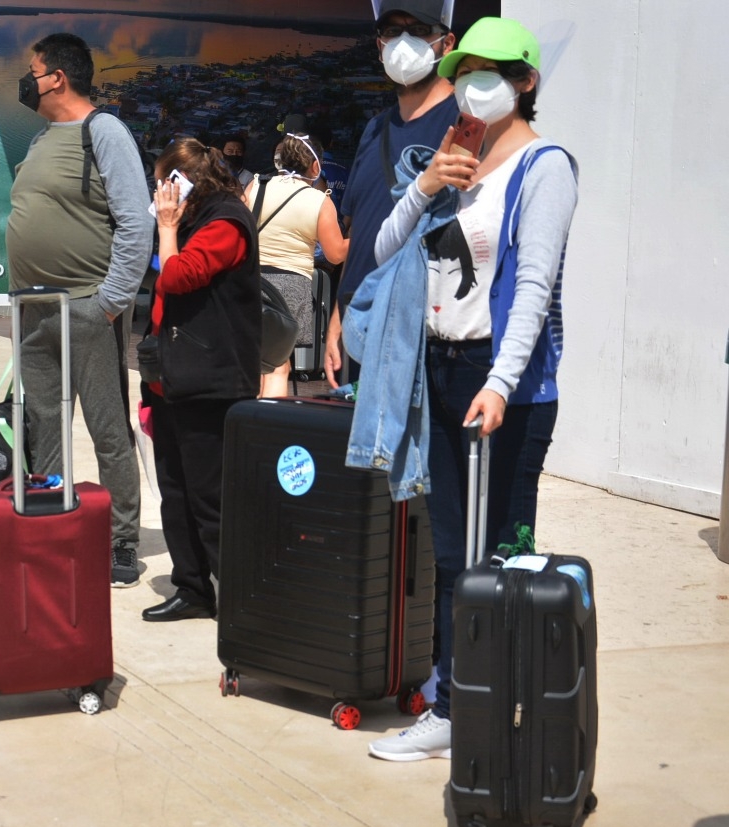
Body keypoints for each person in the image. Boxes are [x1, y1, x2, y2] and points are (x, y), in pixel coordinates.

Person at [363, 17, 578, 760]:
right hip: (442, 371)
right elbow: (382, 251)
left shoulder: (544, 166)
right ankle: (457, 697)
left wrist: (501, 380)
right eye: (467, 67)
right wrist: (425, 185)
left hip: (506, 384)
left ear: (526, 83)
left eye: (495, 69)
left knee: (505, 553)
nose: (476, 81)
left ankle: (497, 703)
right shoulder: (454, 157)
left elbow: (534, 290)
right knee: (453, 551)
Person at [6, 33, 151, 588]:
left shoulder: (104, 132)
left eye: (33, 69)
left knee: (107, 428)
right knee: (44, 425)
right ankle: (55, 522)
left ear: (56, 78)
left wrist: (110, 304)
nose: (27, 80)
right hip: (33, 309)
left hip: (86, 305)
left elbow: (136, 224)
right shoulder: (43, 139)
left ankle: (121, 540)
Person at [141, 138, 261, 621]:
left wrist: (167, 227)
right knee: (175, 490)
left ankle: (237, 597)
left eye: (162, 183)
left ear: (182, 182)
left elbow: (177, 277)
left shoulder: (225, 221)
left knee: (211, 498)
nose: (158, 195)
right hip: (174, 378)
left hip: (210, 382)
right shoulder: (195, 220)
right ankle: (191, 586)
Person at [324, 0, 457, 388]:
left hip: (422, 332)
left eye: (417, 31)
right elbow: (358, 231)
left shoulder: (463, 125)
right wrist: (338, 315)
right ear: (379, 44)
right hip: (362, 324)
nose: (403, 42)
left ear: (447, 43)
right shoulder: (374, 130)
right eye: (392, 31)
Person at [244, 132, 348, 397]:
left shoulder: (256, 186)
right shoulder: (318, 201)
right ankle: (266, 430)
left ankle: (243, 420)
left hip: (249, 280)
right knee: (278, 364)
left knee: (250, 360)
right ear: (315, 166)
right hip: (290, 285)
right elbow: (335, 254)